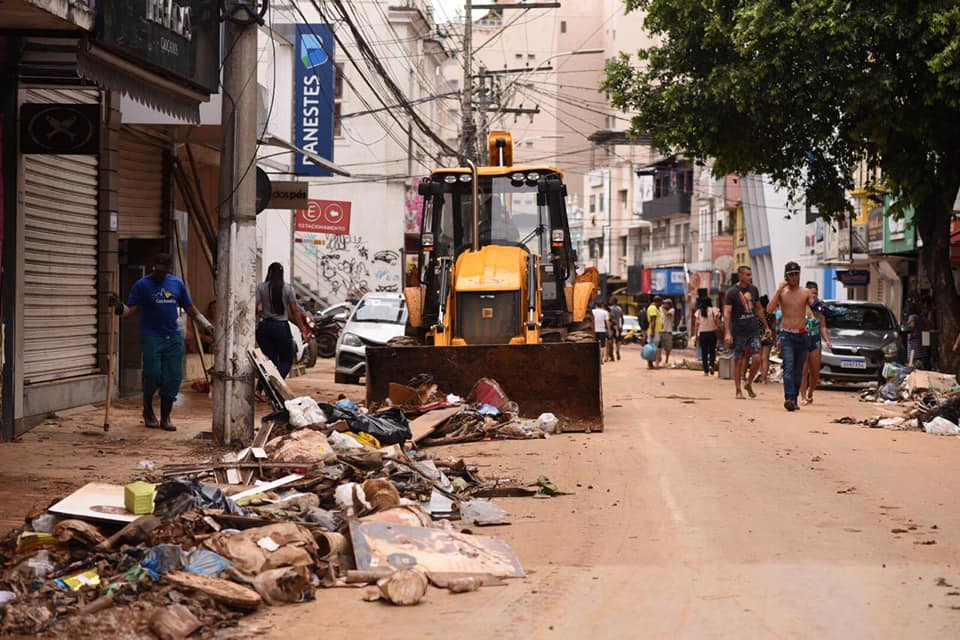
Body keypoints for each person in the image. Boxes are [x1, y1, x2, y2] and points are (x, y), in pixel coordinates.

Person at [113, 253, 213, 431]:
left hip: (173, 337)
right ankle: (148, 410)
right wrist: (119, 308)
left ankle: (166, 417)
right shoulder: (143, 285)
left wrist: (205, 325)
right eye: (157, 271)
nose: (160, 275)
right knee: (152, 374)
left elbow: (190, 308)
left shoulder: (177, 284)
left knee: (173, 377)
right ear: (154, 268)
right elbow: (132, 309)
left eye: (163, 272)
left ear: (168, 271)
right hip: (152, 336)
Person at [767, 262, 817, 412]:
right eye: (792, 274)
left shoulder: (805, 292)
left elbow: (813, 306)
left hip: (802, 335)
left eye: (797, 274)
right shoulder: (782, 293)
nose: (795, 277)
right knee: (788, 368)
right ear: (786, 276)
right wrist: (778, 290)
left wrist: (813, 306)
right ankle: (789, 397)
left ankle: (793, 399)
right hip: (787, 334)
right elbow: (769, 309)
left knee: (798, 371)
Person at [256, 263, 307, 394]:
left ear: (269, 272)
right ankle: (273, 388)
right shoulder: (288, 288)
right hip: (281, 327)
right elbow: (295, 311)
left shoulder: (261, 287)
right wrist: (302, 328)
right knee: (286, 360)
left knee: (270, 361)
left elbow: (255, 308)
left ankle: (260, 389)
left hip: (264, 327)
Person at [724, 265, 770, 399]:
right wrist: (727, 332)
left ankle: (749, 383)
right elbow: (727, 312)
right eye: (748, 275)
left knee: (757, 358)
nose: (750, 277)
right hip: (738, 331)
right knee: (738, 360)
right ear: (740, 276)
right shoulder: (732, 292)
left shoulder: (754, 289)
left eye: (751, 275)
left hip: (753, 329)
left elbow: (759, 309)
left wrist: (766, 326)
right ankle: (738, 389)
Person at [799, 282, 831, 404]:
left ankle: (810, 392)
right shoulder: (800, 306)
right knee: (803, 370)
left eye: (815, 293)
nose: (813, 296)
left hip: (815, 340)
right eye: (811, 293)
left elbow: (823, 326)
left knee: (815, 372)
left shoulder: (819, 308)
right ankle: (802, 396)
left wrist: (827, 340)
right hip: (802, 340)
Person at [693, 295, 721, 376]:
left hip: (702, 333)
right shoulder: (714, 310)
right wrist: (721, 329)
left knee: (704, 352)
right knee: (712, 350)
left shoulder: (698, 312)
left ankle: (706, 371)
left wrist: (696, 335)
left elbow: (696, 324)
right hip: (712, 333)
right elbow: (717, 321)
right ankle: (711, 365)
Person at [756, 295, 778, 384]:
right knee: (765, 358)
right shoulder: (771, 316)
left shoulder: (757, 314)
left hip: (758, 337)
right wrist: (775, 340)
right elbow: (773, 328)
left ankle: (761, 375)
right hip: (768, 337)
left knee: (759, 358)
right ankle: (764, 378)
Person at [905, 303, 929, 368]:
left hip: (914, 345)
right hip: (923, 346)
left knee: (913, 364)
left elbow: (911, 326)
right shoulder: (923, 318)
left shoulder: (912, 317)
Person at [645, 296, 664, 369]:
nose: (661, 304)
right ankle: (650, 364)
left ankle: (651, 363)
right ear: (657, 301)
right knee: (652, 348)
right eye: (661, 303)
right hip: (654, 331)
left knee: (654, 348)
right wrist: (652, 331)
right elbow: (653, 320)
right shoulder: (652, 308)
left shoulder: (656, 308)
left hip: (657, 331)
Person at [660, 299, 676, 365]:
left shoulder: (672, 310)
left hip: (668, 331)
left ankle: (666, 359)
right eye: (664, 303)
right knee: (659, 347)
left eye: (666, 304)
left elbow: (667, 314)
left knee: (668, 347)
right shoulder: (660, 309)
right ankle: (659, 358)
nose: (664, 305)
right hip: (660, 330)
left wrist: (662, 308)